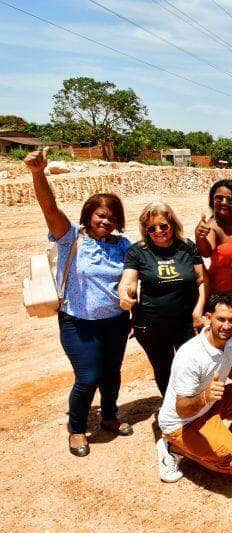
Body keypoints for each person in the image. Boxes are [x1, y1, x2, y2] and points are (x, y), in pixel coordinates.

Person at [25, 147, 133, 457]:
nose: (106, 221)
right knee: (88, 376)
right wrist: (38, 173)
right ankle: (76, 428)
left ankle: (110, 416)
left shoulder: (122, 244)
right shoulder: (70, 236)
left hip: (115, 321)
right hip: (77, 321)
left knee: (112, 372)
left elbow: (134, 277)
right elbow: (49, 207)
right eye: (101, 215)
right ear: (89, 215)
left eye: (112, 217)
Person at [156, 293, 232, 483]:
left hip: (210, 407)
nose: (226, 326)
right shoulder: (190, 356)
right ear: (208, 318)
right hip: (183, 423)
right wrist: (205, 397)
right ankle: (171, 447)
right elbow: (182, 409)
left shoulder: (231, 339)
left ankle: (231, 439)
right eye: (220, 319)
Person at [119, 202, 206, 396]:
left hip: (186, 322)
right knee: (164, 369)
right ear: (145, 230)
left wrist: (198, 309)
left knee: (191, 366)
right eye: (152, 228)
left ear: (172, 224)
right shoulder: (137, 251)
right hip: (152, 325)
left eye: (163, 226)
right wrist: (125, 295)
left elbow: (201, 280)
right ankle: (172, 413)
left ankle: (193, 409)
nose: (158, 231)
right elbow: (129, 281)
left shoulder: (186, 247)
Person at [195, 179, 232, 294]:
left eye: (230, 199)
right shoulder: (212, 226)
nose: (223, 202)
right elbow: (206, 252)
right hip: (224, 292)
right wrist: (199, 236)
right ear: (212, 201)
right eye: (218, 198)